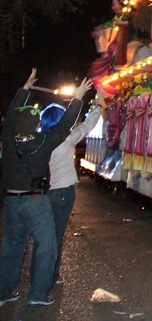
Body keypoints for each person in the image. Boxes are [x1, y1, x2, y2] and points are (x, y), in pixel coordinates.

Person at [0, 70, 91, 308]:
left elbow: (10, 117)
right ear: (36, 125)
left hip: (11, 201)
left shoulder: (9, 141)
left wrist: (24, 90)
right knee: (46, 246)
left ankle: (4, 291)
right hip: (35, 201)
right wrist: (78, 97)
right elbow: (64, 126)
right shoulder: (41, 143)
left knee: (11, 247)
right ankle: (38, 294)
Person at [31, 89, 104, 287]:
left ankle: (37, 274)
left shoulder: (39, 140)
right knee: (56, 235)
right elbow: (88, 125)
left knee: (42, 236)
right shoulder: (66, 138)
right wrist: (98, 105)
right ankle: (50, 276)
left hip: (43, 192)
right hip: (63, 192)